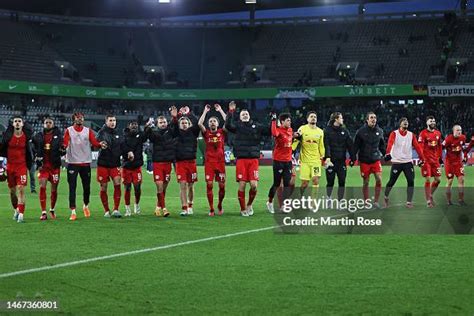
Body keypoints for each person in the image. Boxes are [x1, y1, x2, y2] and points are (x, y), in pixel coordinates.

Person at [225, 101, 270, 216]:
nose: (245, 115)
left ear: (249, 116)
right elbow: (228, 126)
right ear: (240, 117)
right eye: (243, 114)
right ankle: (242, 208)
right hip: (241, 159)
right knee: (242, 185)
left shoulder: (256, 126)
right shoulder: (237, 126)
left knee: (254, 186)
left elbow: (269, 131)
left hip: (253, 160)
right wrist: (231, 112)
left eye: (246, 114)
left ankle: (249, 204)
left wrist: (273, 120)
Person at [63, 112, 107, 221]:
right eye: (77, 118)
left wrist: (100, 144)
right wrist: (63, 146)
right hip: (72, 163)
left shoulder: (88, 131)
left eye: (81, 118)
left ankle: (85, 205)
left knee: (86, 187)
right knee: (72, 188)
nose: (80, 120)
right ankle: (73, 211)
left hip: (85, 163)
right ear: (74, 119)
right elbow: (65, 142)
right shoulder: (69, 130)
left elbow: (94, 142)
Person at [383, 118, 425, 208]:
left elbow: (417, 147)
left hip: (407, 162)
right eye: (403, 121)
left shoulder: (411, 135)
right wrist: (387, 153)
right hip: (397, 162)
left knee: (411, 181)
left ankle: (409, 202)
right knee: (391, 182)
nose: (406, 122)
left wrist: (422, 158)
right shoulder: (394, 133)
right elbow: (390, 143)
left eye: (407, 122)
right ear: (400, 124)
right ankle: (386, 197)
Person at [0, 116, 33, 223]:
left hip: (21, 166)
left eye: (19, 121)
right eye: (16, 121)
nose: (18, 123)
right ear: (12, 124)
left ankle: (21, 215)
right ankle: (16, 210)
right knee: (12, 192)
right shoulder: (7, 137)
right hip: (10, 167)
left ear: (23, 124)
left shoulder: (26, 137)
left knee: (21, 189)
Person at [32, 117, 64, 220]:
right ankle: (43, 212)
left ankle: (52, 209)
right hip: (43, 167)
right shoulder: (38, 136)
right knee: (42, 187)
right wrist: (35, 157)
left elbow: (63, 149)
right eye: (46, 123)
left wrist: (63, 151)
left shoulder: (58, 136)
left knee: (54, 190)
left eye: (50, 122)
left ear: (53, 124)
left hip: (54, 167)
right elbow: (32, 147)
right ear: (43, 124)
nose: (48, 124)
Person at [145, 114, 177, 217]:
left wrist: (175, 117)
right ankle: (164, 209)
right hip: (158, 163)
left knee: (164, 188)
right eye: (161, 122)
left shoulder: (171, 132)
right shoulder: (154, 134)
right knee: (159, 186)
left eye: (164, 122)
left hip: (168, 164)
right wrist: (147, 126)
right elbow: (147, 134)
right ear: (157, 124)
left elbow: (176, 127)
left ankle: (157, 207)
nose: (163, 124)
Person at [198, 103, 227, 216]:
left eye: (214, 121)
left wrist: (220, 110)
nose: (212, 123)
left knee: (222, 186)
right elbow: (200, 123)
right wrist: (205, 111)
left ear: (217, 123)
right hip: (209, 163)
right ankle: (211, 208)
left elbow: (228, 122)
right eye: (210, 121)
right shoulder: (206, 133)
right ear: (209, 124)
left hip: (220, 163)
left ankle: (219, 204)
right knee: (209, 185)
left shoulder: (221, 132)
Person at [171, 106, 200, 216]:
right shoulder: (176, 133)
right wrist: (174, 117)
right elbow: (172, 127)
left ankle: (190, 204)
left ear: (189, 124)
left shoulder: (193, 132)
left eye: (185, 123)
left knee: (191, 186)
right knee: (182, 185)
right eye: (182, 123)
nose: (184, 124)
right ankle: (184, 208)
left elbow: (197, 123)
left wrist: (188, 114)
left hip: (191, 162)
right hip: (180, 163)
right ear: (179, 125)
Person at [353, 112, 385, 207]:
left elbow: (382, 145)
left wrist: (386, 154)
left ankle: (375, 201)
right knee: (366, 182)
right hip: (364, 161)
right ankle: (366, 201)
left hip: (375, 160)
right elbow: (356, 146)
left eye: (375, 117)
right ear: (367, 120)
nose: (374, 119)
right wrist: (353, 157)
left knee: (379, 179)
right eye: (371, 117)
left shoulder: (380, 131)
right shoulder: (360, 132)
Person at [323, 112, 355, 202]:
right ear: (336, 119)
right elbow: (326, 145)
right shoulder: (327, 131)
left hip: (341, 162)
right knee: (330, 182)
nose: (342, 120)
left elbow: (350, 145)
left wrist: (353, 158)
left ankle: (340, 201)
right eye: (341, 118)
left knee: (342, 182)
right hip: (330, 161)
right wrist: (328, 157)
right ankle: (328, 198)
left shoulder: (345, 131)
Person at [292, 111, 325, 196]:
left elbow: (321, 145)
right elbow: (296, 141)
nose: (313, 118)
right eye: (311, 116)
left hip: (316, 160)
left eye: (315, 117)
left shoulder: (320, 131)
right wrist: (291, 150)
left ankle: (313, 202)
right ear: (307, 119)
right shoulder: (302, 129)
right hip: (305, 161)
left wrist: (323, 156)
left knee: (315, 179)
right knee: (305, 184)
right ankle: (301, 196)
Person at [97, 114, 124, 218]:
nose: (113, 122)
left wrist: (127, 153)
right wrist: (100, 144)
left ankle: (116, 209)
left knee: (117, 184)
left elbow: (122, 146)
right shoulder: (101, 133)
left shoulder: (118, 133)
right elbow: (96, 143)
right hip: (103, 164)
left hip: (115, 163)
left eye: (114, 120)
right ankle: (106, 210)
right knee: (103, 187)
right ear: (106, 121)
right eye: (111, 120)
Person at [266, 113, 293, 214]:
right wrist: (273, 120)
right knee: (277, 184)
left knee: (287, 184)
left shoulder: (290, 130)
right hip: (278, 161)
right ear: (282, 122)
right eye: (287, 120)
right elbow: (273, 133)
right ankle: (269, 202)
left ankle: (284, 205)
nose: (289, 122)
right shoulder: (278, 130)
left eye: (290, 120)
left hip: (288, 161)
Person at [121, 120, 147, 216]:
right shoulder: (124, 136)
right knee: (127, 188)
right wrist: (128, 152)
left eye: (136, 125)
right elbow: (122, 147)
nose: (134, 126)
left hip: (137, 167)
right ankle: (127, 208)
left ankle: (136, 204)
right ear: (129, 126)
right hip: (127, 167)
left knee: (137, 187)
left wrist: (147, 126)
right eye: (132, 125)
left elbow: (146, 135)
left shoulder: (140, 136)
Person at [418, 116, 443, 208]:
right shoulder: (423, 133)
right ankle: (428, 200)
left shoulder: (438, 133)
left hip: (435, 160)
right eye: (431, 121)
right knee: (428, 179)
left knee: (438, 180)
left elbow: (440, 146)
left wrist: (440, 157)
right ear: (427, 123)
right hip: (426, 160)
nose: (433, 122)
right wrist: (421, 159)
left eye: (434, 121)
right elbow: (420, 147)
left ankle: (430, 195)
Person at [442, 125, 467, 205]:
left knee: (461, 180)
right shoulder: (448, 139)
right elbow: (441, 147)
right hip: (449, 163)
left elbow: (464, 148)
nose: (459, 131)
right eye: (457, 130)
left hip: (458, 163)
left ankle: (461, 200)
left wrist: (465, 156)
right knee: (450, 181)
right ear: (453, 131)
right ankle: (448, 201)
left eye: (460, 130)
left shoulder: (463, 137)